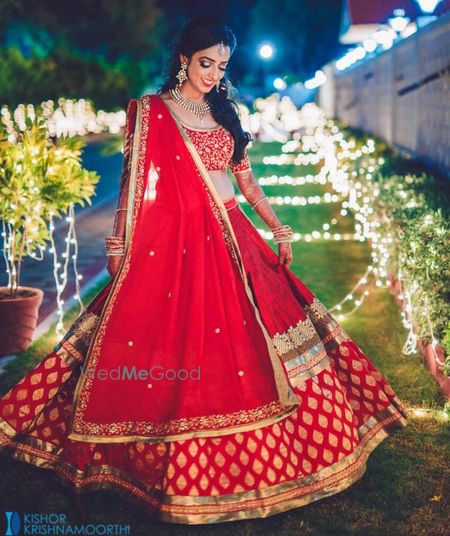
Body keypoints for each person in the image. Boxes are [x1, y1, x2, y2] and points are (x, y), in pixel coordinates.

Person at [0, 15, 408, 525]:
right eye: (205, 63)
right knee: (165, 339)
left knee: (258, 340)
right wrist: (118, 241)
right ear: (184, 60)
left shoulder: (225, 116)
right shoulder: (151, 112)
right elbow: (130, 184)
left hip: (235, 237)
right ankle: (154, 459)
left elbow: (247, 185)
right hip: (175, 243)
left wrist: (279, 229)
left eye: (222, 65)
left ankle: (280, 456)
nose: (214, 73)